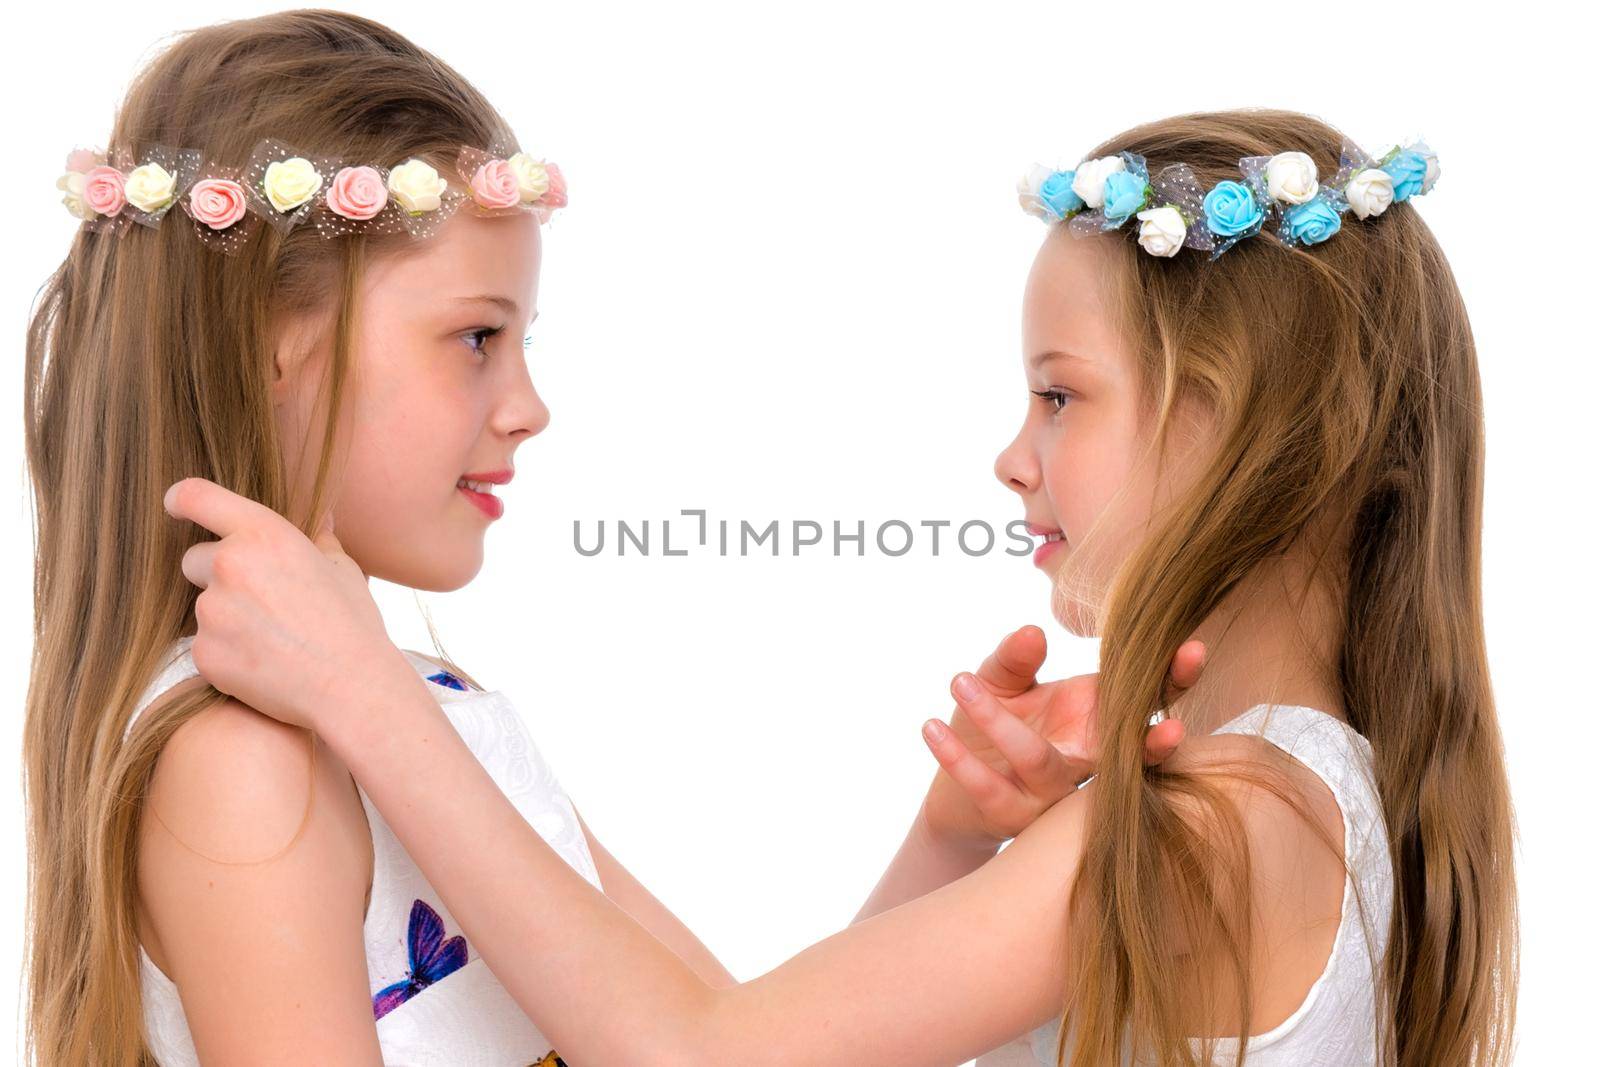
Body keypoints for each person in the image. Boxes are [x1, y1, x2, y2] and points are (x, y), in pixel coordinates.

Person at [161, 108, 1519, 1065]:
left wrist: (366, 693)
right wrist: (948, 843)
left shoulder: (1216, 824)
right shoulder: (1280, 792)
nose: (1012, 454)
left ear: (1231, 428)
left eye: (1060, 396)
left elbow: (696, 1051)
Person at [21, 11, 1180, 1064]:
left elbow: (721, 1042)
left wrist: (947, 837)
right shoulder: (244, 766)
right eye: (477, 336)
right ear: (273, 339)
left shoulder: (426, 712)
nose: (527, 403)